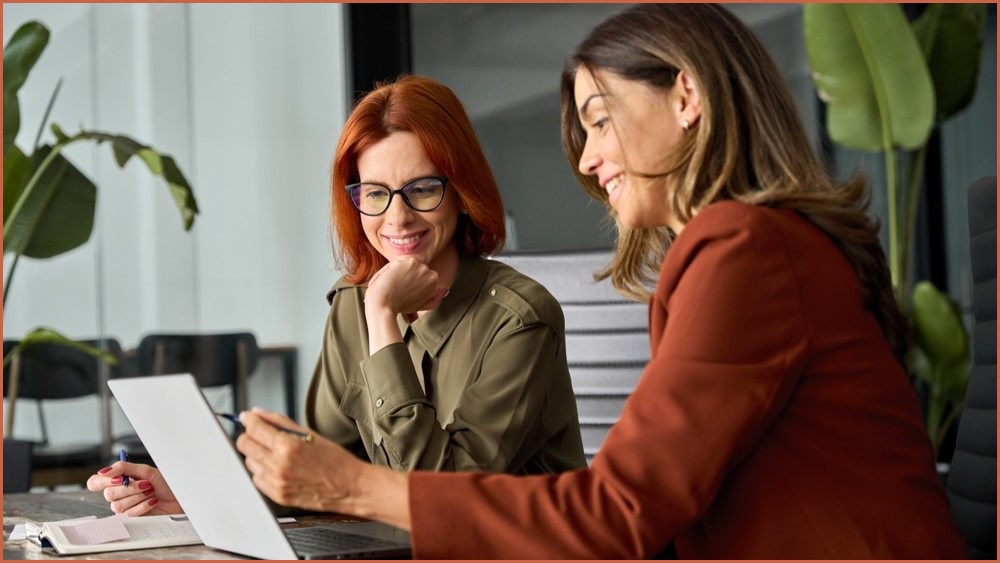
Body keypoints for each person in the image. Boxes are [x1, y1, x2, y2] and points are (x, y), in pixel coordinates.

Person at [101, 5, 969, 558]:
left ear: (688, 98)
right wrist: (206, 487)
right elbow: (330, 457)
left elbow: (617, 511)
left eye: (599, 120)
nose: (589, 161)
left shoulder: (743, 248)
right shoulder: (756, 247)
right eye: (371, 192)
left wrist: (345, 485)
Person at [88, 75, 586, 514]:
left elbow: (438, 496)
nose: (397, 218)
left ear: (461, 190)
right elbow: (321, 466)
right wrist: (193, 493)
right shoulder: (352, 303)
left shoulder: (520, 319)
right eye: (375, 193)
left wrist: (383, 317)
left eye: (422, 189)